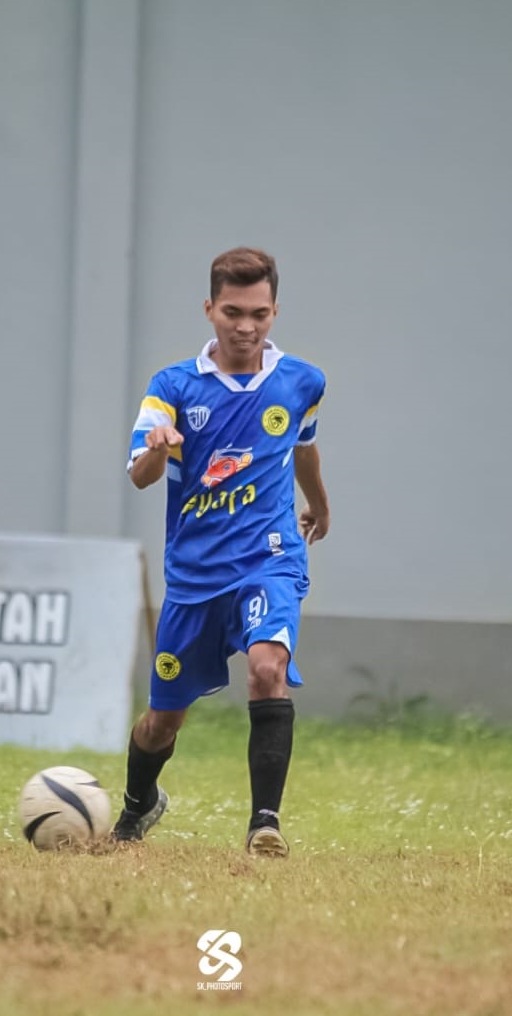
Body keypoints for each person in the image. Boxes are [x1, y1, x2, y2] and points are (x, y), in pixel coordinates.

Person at [113, 247, 331, 857]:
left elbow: (304, 445)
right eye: (232, 312)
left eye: (259, 313)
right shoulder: (173, 387)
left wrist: (319, 502)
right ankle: (138, 806)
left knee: (268, 670)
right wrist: (159, 446)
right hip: (193, 575)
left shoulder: (302, 381)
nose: (245, 326)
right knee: (163, 722)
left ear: (275, 311)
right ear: (209, 308)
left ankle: (265, 823)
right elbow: (139, 475)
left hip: (270, 557)